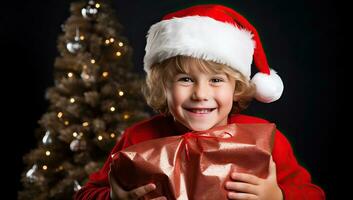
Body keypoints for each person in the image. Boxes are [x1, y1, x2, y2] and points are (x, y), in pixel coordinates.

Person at [74, 4, 325, 200]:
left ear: (236, 87)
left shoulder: (265, 139)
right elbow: (84, 194)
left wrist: (279, 196)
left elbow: (314, 194)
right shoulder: (138, 138)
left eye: (216, 80)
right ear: (164, 85)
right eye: (185, 79)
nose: (200, 94)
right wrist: (112, 197)